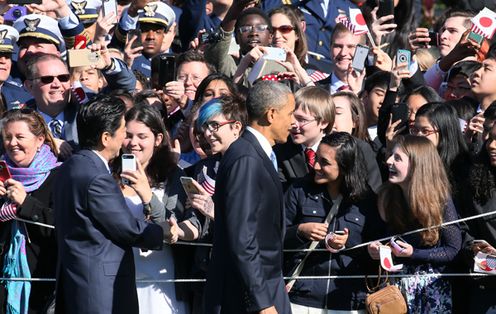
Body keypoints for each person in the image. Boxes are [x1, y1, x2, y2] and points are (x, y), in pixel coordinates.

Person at [54, 95, 171, 314]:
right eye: (123, 131)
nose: (125, 138)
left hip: (78, 280)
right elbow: (126, 228)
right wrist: (161, 231)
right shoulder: (96, 176)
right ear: (106, 138)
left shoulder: (70, 166)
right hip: (99, 289)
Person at [204, 81, 295, 314]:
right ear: (271, 114)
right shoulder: (246, 158)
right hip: (249, 296)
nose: (293, 122)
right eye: (290, 114)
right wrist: (262, 301)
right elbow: (243, 237)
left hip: (265, 286)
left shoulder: (252, 153)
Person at [284, 132, 381, 312]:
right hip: (301, 299)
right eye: (317, 158)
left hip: (348, 300)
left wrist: (349, 243)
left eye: (325, 162)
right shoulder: (298, 190)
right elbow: (273, 237)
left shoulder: (367, 200)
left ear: (345, 167)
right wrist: (299, 231)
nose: (315, 166)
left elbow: (378, 247)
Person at [116, 104, 196, 314]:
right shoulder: (109, 176)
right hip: (119, 275)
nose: (133, 143)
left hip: (161, 279)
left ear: (158, 139)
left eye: (142, 136)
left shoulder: (173, 176)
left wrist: (147, 195)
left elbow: (173, 225)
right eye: (128, 135)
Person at [368, 135, 461, 313]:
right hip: (394, 293)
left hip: (430, 292)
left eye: (397, 158)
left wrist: (414, 253)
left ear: (418, 165)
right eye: (390, 155)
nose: (388, 161)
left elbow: (452, 250)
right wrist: (376, 249)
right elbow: (377, 238)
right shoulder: (386, 196)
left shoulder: (441, 200)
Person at [0, 109, 60, 313]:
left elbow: (63, 229)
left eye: (20, 136)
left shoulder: (59, 176)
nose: (12, 143)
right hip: (5, 281)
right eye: (8, 137)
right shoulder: (1, 175)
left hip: (44, 283)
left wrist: (26, 203)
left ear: (39, 140)